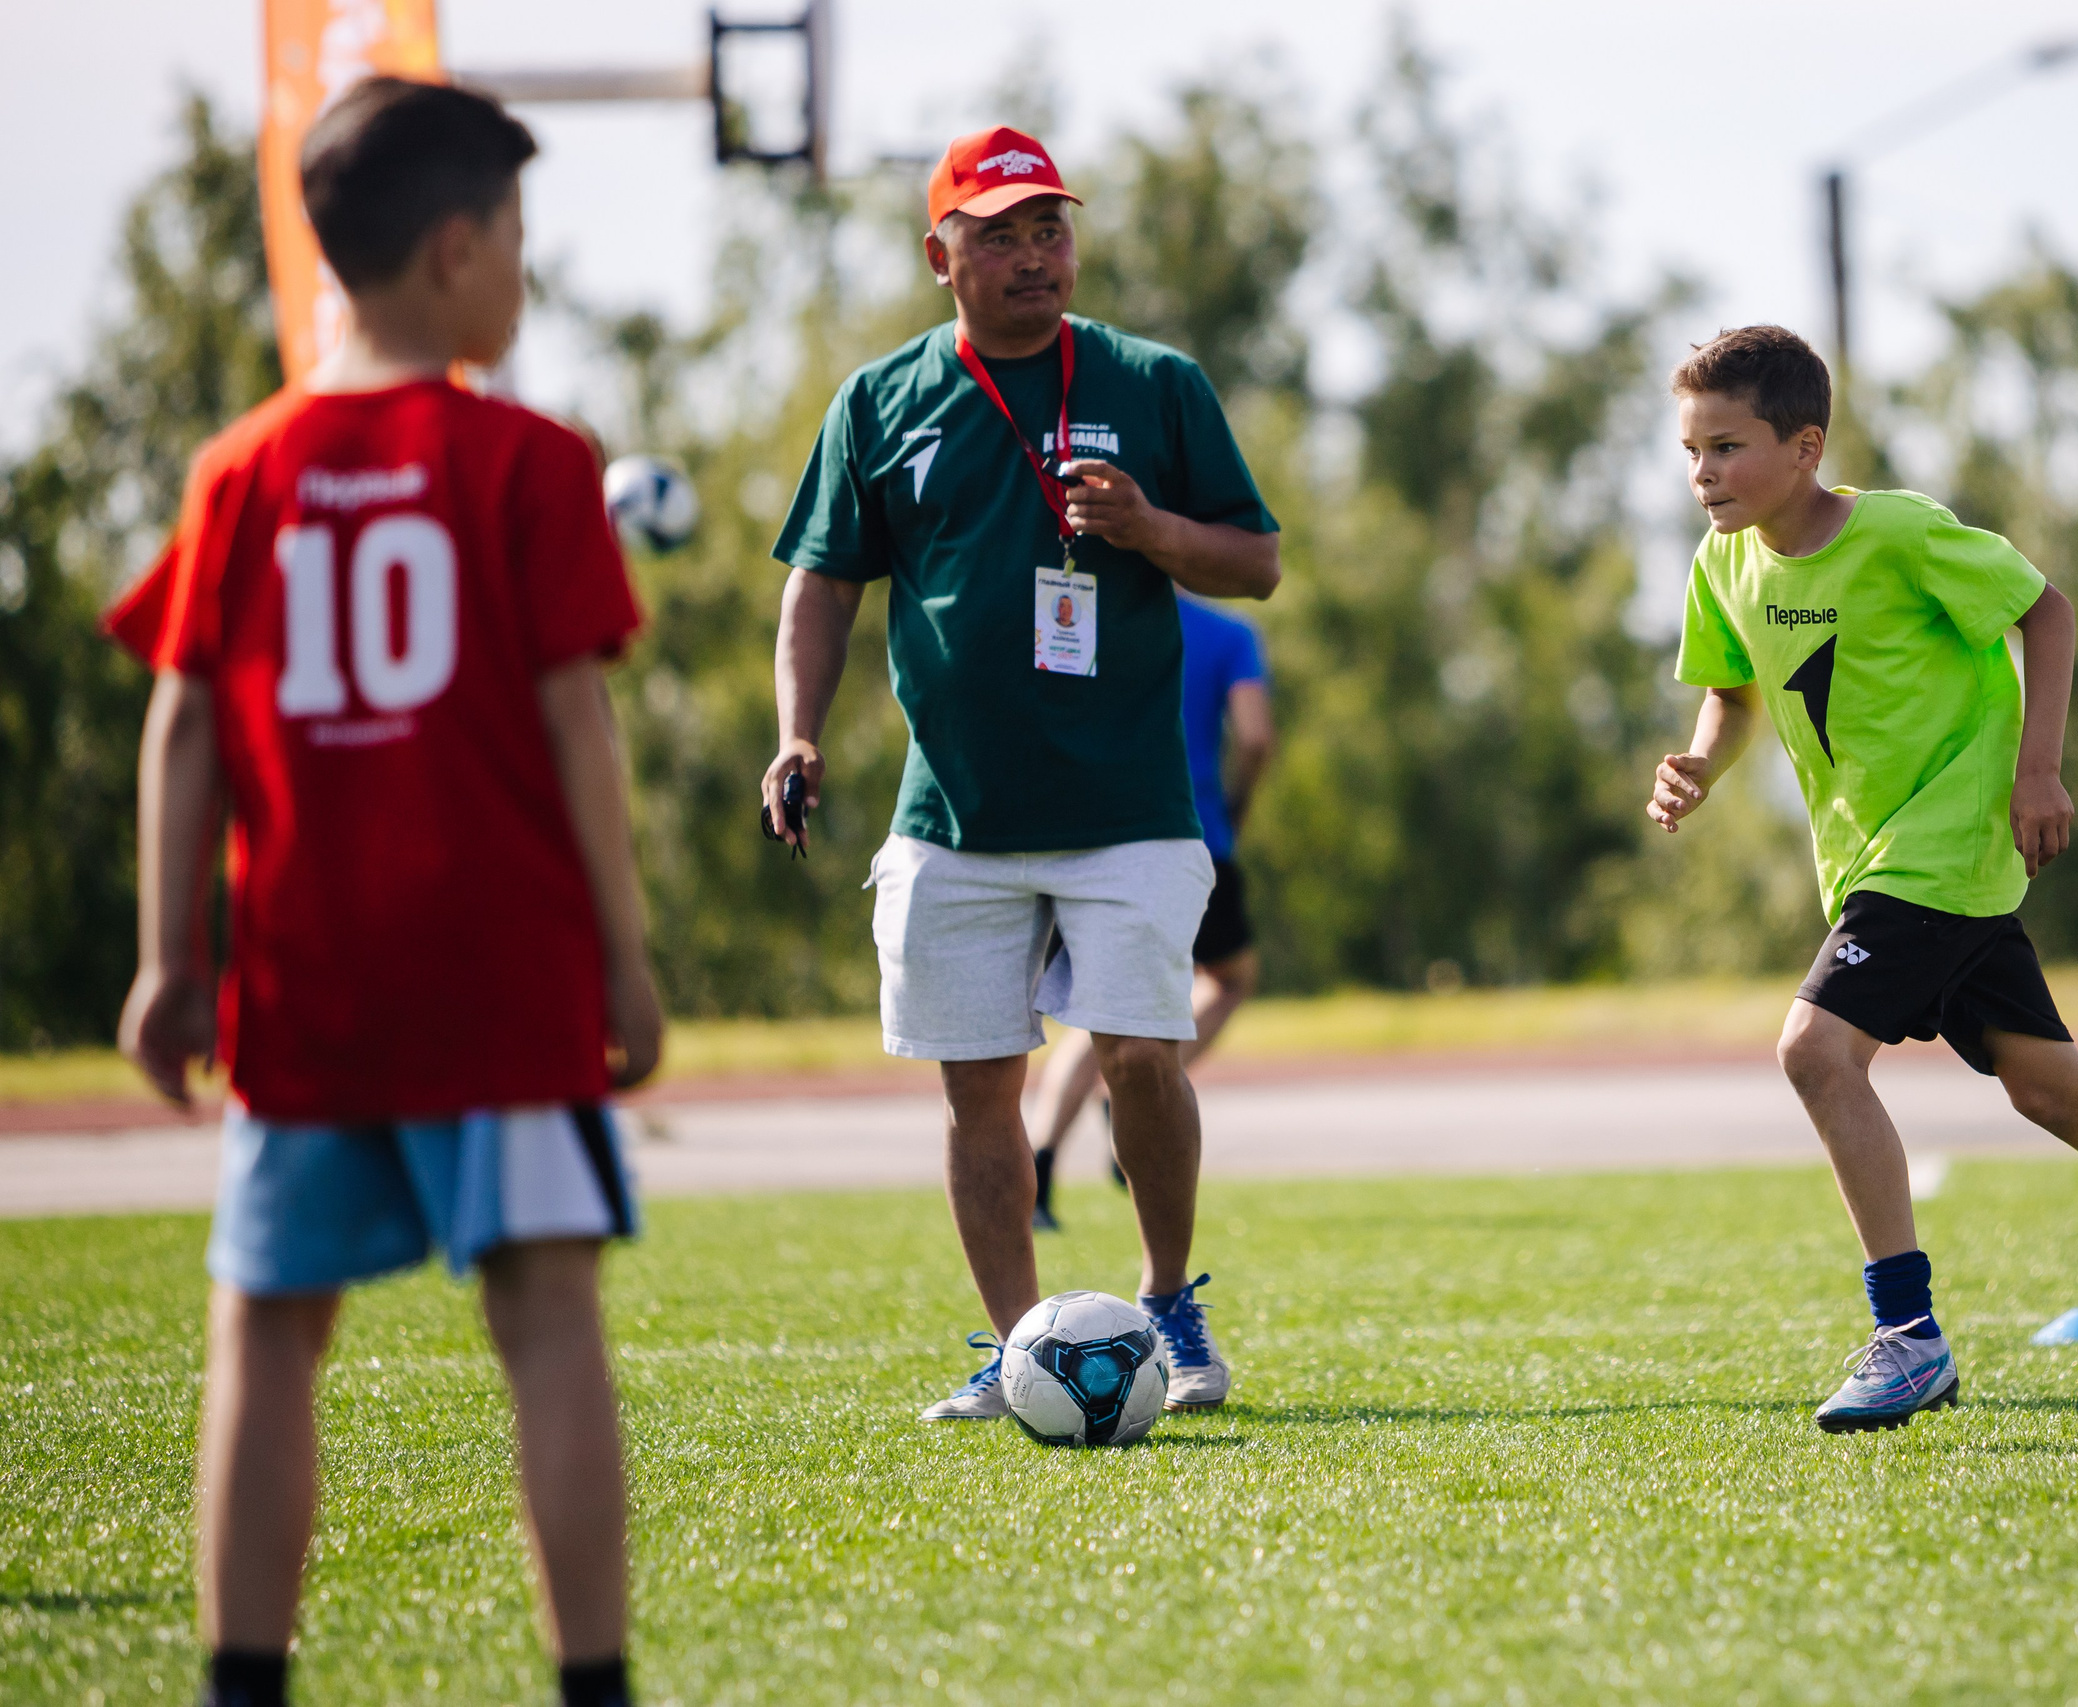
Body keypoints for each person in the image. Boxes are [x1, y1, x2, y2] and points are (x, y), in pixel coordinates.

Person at [111, 78, 660, 1707]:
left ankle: (242, 1679)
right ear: (452, 250)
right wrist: (625, 956)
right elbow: (577, 722)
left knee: (269, 1326)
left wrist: (166, 959)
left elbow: (182, 724)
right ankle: (593, 1681)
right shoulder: (531, 460)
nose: (524, 272)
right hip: (501, 974)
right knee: (547, 1315)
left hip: (308, 972)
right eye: (516, 238)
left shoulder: (241, 470)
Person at [1647, 325, 2078, 1434]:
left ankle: (1907, 1337)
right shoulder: (1723, 563)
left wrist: (2038, 770)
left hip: (1944, 846)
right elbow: (1731, 689)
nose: (1702, 474)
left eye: (1726, 447)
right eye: (1690, 451)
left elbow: (2045, 611)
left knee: (1814, 1052)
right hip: (1871, 861)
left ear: (1805, 447)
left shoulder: (1898, 532)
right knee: (2053, 1092)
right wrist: (1699, 766)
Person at [761, 127, 1281, 1421]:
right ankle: (1019, 1349)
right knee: (977, 1088)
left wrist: (1149, 527)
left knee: (1142, 1054)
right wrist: (797, 730)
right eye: (998, 235)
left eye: (1050, 228)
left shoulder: (1153, 381)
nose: (1035, 253)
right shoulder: (878, 401)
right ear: (939, 258)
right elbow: (821, 581)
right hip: (953, 813)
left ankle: (1169, 1302)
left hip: (1129, 805)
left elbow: (1256, 562)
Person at [1027, 594, 1275, 1230]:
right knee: (1230, 978)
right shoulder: (1228, 633)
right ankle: (1139, 1088)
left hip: (1096, 838)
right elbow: (1255, 737)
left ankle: (1040, 1169)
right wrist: (1236, 808)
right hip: (1193, 834)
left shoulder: (1083, 613)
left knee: (1099, 1009)